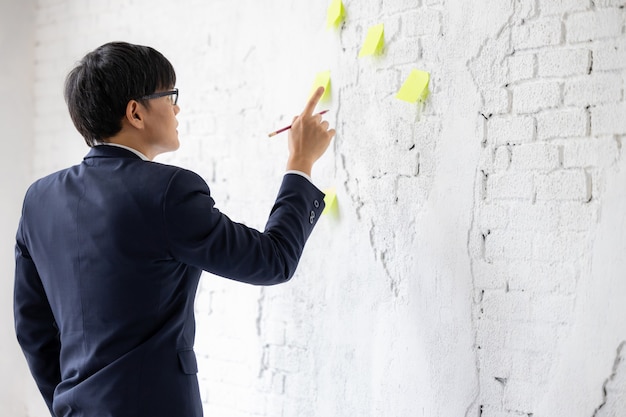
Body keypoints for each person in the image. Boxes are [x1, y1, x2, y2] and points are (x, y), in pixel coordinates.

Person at [14, 41, 334, 417]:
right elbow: (273, 260)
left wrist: (69, 403)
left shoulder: (39, 199)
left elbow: (31, 326)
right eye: (170, 95)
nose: (177, 108)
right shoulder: (166, 191)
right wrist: (300, 162)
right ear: (135, 111)